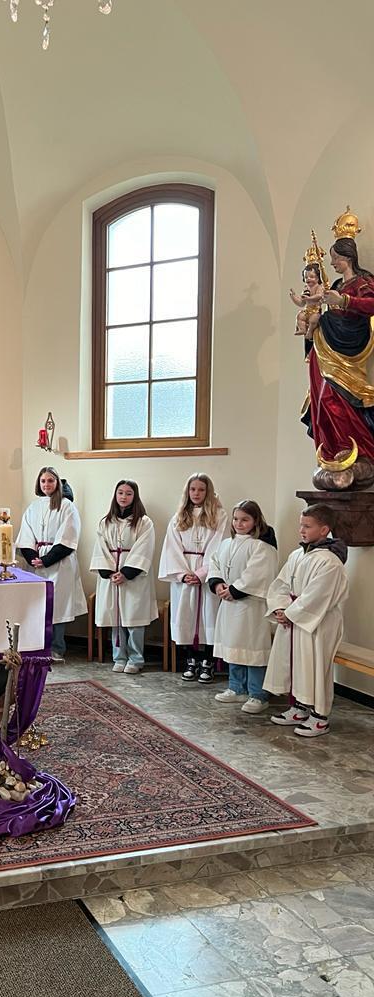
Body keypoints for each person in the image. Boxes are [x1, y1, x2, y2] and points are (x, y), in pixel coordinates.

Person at [264, 504, 348, 737]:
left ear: (324, 530)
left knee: (315, 666)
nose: (301, 530)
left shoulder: (330, 561)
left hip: (318, 623)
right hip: (293, 618)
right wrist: (280, 607)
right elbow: (281, 584)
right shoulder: (297, 554)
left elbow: (318, 596)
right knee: (296, 664)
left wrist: (290, 613)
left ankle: (320, 717)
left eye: (307, 526)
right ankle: (299, 707)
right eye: (301, 525)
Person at [300, 237, 374, 463]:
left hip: (350, 344)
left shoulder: (363, 282)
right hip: (327, 342)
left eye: (336, 258)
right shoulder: (336, 285)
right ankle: (332, 449)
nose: (332, 263)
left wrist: (344, 301)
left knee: (336, 397)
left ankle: (353, 448)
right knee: (321, 398)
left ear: (348, 258)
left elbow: (372, 305)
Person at [208, 500, 279, 714]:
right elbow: (214, 563)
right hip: (229, 604)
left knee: (252, 649)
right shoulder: (226, 543)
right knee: (233, 646)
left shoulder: (261, 546)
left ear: (256, 521)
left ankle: (258, 694)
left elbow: (258, 573)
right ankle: (236, 688)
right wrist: (217, 584)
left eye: (245, 519)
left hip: (251, 605)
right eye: (236, 519)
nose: (239, 523)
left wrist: (235, 590)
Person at [158, 473, 228, 683]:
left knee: (209, 616)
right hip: (184, 572)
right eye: (193, 489)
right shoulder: (179, 517)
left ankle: (208, 662)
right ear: (187, 491)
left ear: (208, 492)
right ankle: (190, 660)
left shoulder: (219, 515)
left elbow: (219, 546)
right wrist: (183, 574)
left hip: (208, 573)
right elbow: (171, 548)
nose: (196, 493)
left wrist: (201, 574)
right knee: (186, 617)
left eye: (201, 489)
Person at [16, 467, 87, 663]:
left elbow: (69, 537)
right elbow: (26, 536)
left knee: (57, 606)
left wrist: (46, 560)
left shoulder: (67, 506)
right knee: (37, 605)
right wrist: (33, 558)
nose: (46, 484)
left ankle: (57, 647)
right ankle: (38, 645)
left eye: (50, 481)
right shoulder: (33, 507)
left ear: (57, 483)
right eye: (43, 481)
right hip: (36, 564)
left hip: (59, 563)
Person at [89, 480, 157, 675]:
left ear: (135, 496)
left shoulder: (144, 522)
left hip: (134, 578)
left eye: (128, 493)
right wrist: (109, 572)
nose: (124, 497)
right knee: (116, 618)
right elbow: (100, 548)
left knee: (134, 619)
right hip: (111, 575)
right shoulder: (105, 522)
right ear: (115, 495)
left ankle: (136, 659)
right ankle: (119, 657)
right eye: (120, 492)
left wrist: (126, 573)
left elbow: (144, 548)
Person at [290, 263, 324, 337]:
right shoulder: (306, 289)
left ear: (318, 278)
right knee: (300, 316)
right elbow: (301, 303)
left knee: (313, 320)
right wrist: (293, 297)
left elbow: (319, 296)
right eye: (306, 277)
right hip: (307, 310)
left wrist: (309, 298)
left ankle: (310, 331)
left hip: (316, 311)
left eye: (311, 277)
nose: (308, 279)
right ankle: (302, 329)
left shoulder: (318, 287)